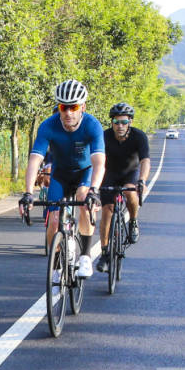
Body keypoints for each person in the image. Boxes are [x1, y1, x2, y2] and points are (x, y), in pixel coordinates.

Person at [19, 79, 105, 279]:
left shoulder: (92, 125)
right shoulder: (48, 125)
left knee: (84, 198)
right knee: (54, 220)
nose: (68, 113)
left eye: (73, 107)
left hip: (85, 171)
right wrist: (28, 193)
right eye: (63, 107)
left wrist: (95, 190)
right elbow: (35, 160)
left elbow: (99, 162)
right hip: (60, 173)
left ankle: (84, 256)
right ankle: (57, 265)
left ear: (82, 107)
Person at [96, 102, 150, 272]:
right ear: (111, 122)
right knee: (107, 211)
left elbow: (145, 161)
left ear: (130, 122)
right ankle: (105, 253)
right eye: (117, 122)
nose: (120, 126)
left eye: (124, 122)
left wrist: (142, 180)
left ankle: (133, 221)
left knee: (130, 192)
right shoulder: (104, 137)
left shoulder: (139, 136)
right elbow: (95, 159)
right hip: (109, 174)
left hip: (130, 173)